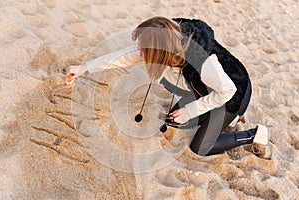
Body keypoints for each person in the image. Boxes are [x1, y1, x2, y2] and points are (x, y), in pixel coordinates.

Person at [65, 16, 271, 159]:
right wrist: (83, 68)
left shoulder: (201, 60)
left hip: (234, 95)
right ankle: (217, 119)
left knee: (201, 147)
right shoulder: (164, 36)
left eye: (142, 46)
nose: (138, 49)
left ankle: (253, 134)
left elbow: (228, 91)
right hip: (204, 89)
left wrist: (190, 109)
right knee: (175, 120)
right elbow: (125, 56)